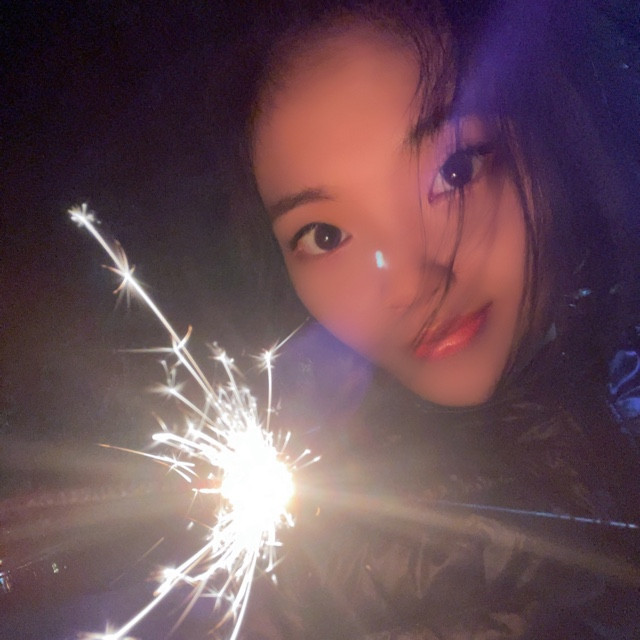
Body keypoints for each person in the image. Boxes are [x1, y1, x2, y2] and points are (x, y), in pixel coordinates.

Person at [217, 0, 640, 638]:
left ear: (553, 134)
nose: (409, 285)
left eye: (455, 171)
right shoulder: (329, 565)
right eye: (326, 235)